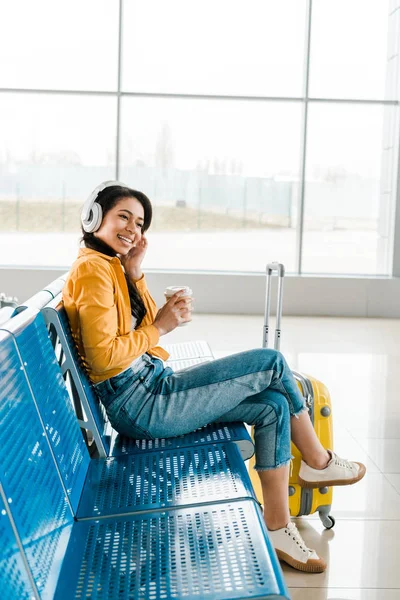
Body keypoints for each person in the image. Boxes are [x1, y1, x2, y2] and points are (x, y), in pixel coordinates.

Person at [63, 181, 366, 574]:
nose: (133, 229)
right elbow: (105, 357)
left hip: (148, 388)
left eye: (139, 223)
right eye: (124, 216)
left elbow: (140, 338)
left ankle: (277, 526)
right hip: (142, 404)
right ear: (93, 216)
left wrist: (135, 274)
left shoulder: (108, 266)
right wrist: (161, 328)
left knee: (273, 406)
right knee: (271, 362)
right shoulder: (92, 270)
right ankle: (318, 462)